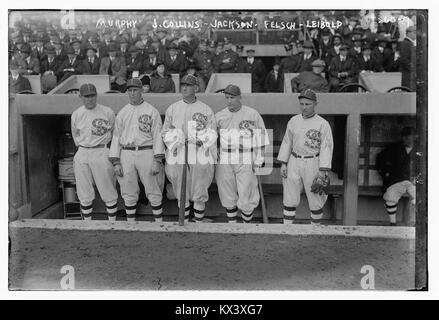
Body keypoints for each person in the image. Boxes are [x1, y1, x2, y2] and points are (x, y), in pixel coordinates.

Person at [162, 74, 217, 222]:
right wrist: (175, 138)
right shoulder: (173, 108)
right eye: (183, 85)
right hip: (178, 150)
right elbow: (165, 132)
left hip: (198, 150)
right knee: (181, 188)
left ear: (196, 88)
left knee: (200, 187)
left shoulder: (205, 109)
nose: (185, 88)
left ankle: (198, 223)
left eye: (188, 85)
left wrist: (203, 140)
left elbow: (212, 132)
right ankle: (184, 222)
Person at [109, 78, 165, 222]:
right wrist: (116, 162)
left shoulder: (151, 111)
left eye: (135, 90)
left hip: (147, 151)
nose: (132, 93)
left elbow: (158, 135)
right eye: (130, 90)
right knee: (128, 189)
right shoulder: (122, 112)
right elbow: (116, 137)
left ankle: (159, 224)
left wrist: (157, 160)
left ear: (142, 91)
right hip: (126, 153)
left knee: (153, 188)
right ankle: (130, 224)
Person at [277, 89, 333, 225]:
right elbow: (287, 141)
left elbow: (327, 147)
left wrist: (322, 170)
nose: (304, 107)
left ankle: (314, 230)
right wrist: (283, 163)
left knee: (315, 199)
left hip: (313, 161)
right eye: (301, 104)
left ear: (315, 104)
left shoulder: (322, 123)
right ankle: (287, 229)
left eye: (307, 104)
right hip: (294, 160)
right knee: (289, 196)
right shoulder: (293, 120)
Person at [215, 84, 268, 223]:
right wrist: (215, 150)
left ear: (240, 97)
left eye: (232, 97)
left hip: (246, 155)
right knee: (227, 192)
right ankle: (232, 225)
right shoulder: (219, 115)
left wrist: (259, 158)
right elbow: (212, 137)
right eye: (227, 97)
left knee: (247, 192)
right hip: (225, 156)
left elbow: (262, 138)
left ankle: (246, 226)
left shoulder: (252, 114)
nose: (229, 100)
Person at [71, 83, 118, 221]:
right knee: (84, 192)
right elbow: (76, 136)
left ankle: (112, 224)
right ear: (81, 97)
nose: (90, 99)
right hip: (83, 151)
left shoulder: (107, 111)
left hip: (101, 150)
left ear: (96, 96)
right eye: (86, 96)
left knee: (107, 189)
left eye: (92, 96)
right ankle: (87, 225)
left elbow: (115, 135)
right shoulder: (76, 114)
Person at [376, 127, 417, 226]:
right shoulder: (394, 148)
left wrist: (417, 179)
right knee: (390, 198)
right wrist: (385, 173)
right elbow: (380, 158)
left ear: (415, 137)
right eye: (404, 138)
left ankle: (417, 222)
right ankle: (393, 223)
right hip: (395, 181)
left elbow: (425, 166)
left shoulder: (420, 149)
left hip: (414, 181)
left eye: (408, 138)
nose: (405, 140)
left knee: (417, 197)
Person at [399, 25, 416, 91]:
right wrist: (413, 69)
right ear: (409, 33)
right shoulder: (405, 43)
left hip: (409, 74)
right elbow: (404, 59)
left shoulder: (409, 43)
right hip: (407, 75)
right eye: (414, 32)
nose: (415, 34)